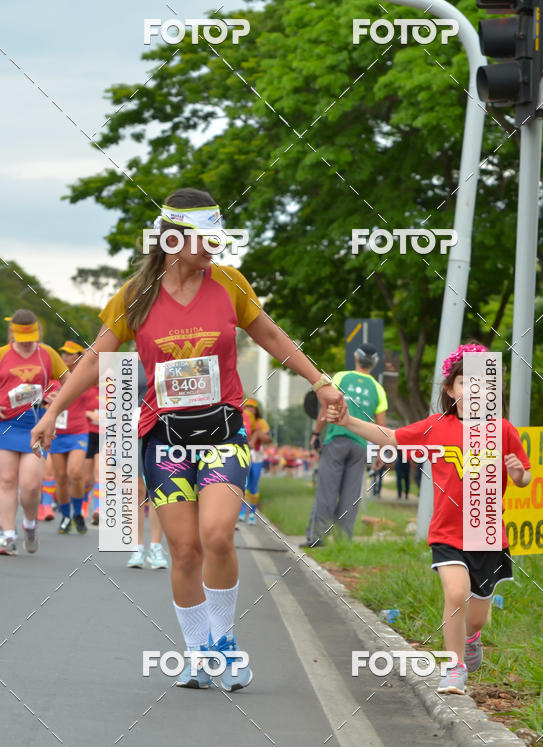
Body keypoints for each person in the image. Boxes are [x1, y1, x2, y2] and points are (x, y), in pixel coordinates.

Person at [31, 187, 345, 692]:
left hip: (222, 430)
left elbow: (271, 336)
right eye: (205, 239)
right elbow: (95, 358)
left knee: (217, 534)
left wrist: (319, 379)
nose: (214, 248)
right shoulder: (137, 296)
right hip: (165, 438)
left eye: (219, 239)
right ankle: (198, 652)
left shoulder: (229, 284)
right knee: (184, 550)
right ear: (172, 237)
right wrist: (53, 411)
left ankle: (224, 643)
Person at [325, 343, 531, 694]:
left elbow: (524, 476)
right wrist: (347, 421)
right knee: (456, 592)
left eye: (482, 383)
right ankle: (454, 668)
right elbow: (390, 436)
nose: (474, 390)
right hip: (447, 533)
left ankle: (472, 637)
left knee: (477, 615)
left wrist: (517, 473)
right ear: (452, 389)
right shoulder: (436, 427)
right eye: (466, 382)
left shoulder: (503, 430)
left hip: (488, 536)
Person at [303, 343, 387, 548]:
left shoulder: (340, 377)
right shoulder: (378, 388)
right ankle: (343, 541)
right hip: (359, 446)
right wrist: (382, 453)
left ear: (356, 359)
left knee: (327, 491)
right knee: (351, 495)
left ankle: (316, 538)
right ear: (374, 363)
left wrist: (316, 433)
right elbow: (382, 428)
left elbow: (326, 407)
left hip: (337, 439)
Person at [0, 310, 67, 554]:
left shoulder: (47, 354)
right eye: (21, 336)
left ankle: (29, 524)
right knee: (6, 481)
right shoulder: (2, 355)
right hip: (6, 425)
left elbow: (69, 381)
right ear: (12, 332)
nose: (27, 341)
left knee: (30, 485)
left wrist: (56, 398)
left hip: (36, 424)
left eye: (31, 335)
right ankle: (7, 535)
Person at [128, 357, 169, 569]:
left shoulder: (169, 357)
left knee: (157, 490)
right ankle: (137, 548)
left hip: (162, 430)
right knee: (137, 490)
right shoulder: (131, 363)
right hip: (134, 431)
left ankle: (155, 548)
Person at [48, 341, 92, 535]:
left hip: (78, 431)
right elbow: (41, 399)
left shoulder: (85, 378)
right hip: (57, 433)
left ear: (78, 357)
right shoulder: (53, 378)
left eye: (70, 353)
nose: (65, 356)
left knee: (75, 472)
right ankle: (66, 516)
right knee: (61, 477)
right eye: (63, 352)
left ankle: (78, 513)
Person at [238, 398, 271, 525]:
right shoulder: (240, 419)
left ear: (256, 410)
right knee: (243, 485)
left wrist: (257, 433)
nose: (250, 410)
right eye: (247, 407)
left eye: (252, 407)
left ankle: (252, 514)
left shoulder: (261, 422)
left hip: (257, 455)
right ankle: (241, 512)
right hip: (245, 454)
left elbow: (268, 438)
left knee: (253, 486)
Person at [82, 381, 100, 524]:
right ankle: (84, 505)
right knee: (87, 477)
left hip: (106, 436)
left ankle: (98, 510)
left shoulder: (116, 392)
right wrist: (89, 414)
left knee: (100, 472)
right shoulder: (88, 390)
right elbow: (77, 409)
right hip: (88, 434)